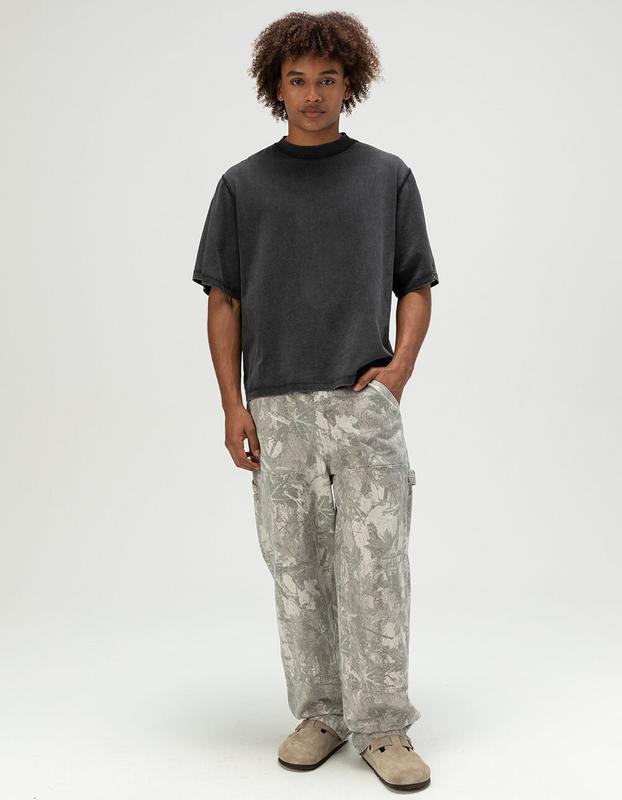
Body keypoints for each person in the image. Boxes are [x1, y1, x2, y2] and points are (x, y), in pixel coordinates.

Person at [192, 10, 438, 792]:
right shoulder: (242, 186)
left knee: (375, 568)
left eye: (326, 79)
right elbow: (224, 300)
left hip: (362, 403)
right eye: (296, 80)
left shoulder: (387, 177)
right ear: (276, 87)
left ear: (348, 83)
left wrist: (398, 371)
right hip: (277, 407)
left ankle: (383, 727)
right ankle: (322, 713)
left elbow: (416, 284)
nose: (311, 94)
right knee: (297, 570)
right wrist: (233, 406)